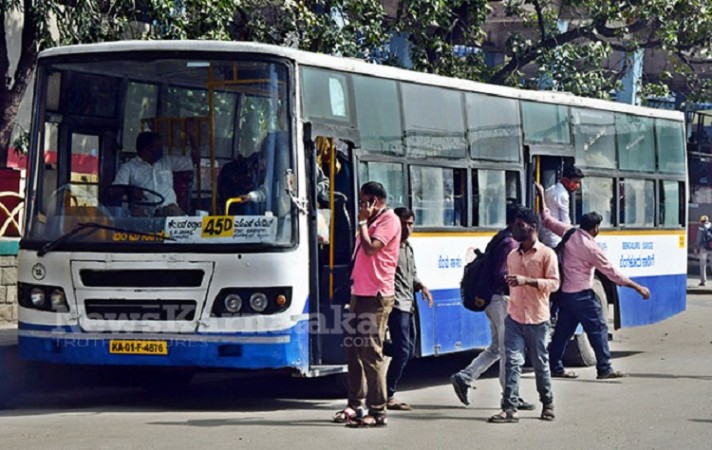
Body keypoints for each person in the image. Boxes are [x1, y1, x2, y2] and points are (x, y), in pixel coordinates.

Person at [535, 182, 651, 381]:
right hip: (583, 296)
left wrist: (540, 195)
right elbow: (612, 273)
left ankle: (555, 366)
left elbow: (546, 219)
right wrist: (637, 287)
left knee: (563, 332)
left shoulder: (569, 232)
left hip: (565, 295)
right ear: (595, 228)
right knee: (597, 329)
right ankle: (604, 368)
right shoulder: (592, 248)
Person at [450, 205, 536, 411]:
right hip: (501, 299)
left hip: (493, 300)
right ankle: (510, 395)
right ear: (516, 222)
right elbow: (500, 274)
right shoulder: (509, 243)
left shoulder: (501, 237)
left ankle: (465, 377)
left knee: (497, 347)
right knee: (509, 349)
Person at [333, 181, 401, 428]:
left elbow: (372, 248)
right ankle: (355, 403)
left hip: (377, 295)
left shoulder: (389, 221)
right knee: (353, 349)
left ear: (375, 201)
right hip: (358, 292)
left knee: (371, 352)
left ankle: (378, 409)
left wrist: (362, 222)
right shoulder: (372, 221)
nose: (361, 205)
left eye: (364, 201)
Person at [488, 206, 559, 424]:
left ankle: (547, 403)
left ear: (533, 228)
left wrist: (527, 281)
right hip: (515, 316)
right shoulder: (512, 255)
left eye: (520, 225)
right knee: (512, 362)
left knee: (540, 363)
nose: (516, 229)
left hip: (538, 318)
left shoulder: (547, 254)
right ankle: (509, 409)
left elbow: (555, 284)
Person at [384, 207, 433, 411]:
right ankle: (388, 394)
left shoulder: (408, 248)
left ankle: (374, 345)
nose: (407, 228)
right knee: (402, 351)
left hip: (409, 303)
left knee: (409, 350)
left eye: (410, 223)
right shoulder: (389, 247)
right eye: (403, 223)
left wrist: (421, 286)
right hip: (396, 304)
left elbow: (411, 274)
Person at [111, 130, 199, 216]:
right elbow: (114, 190)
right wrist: (130, 191)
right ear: (145, 149)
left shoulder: (167, 161)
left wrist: (193, 137)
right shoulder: (129, 167)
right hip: (144, 213)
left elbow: (195, 160)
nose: (161, 149)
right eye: (157, 146)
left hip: (170, 210)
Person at [539, 165, 584, 248]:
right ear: (565, 180)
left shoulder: (549, 190)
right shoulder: (563, 195)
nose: (577, 186)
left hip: (544, 235)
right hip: (556, 239)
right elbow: (566, 222)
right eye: (575, 182)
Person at [695, 215, 712, 286]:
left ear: (701, 221)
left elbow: (699, 239)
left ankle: (703, 281)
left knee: (702, 264)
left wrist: (696, 248)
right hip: (711, 248)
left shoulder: (701, 228)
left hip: (703, 248)